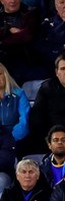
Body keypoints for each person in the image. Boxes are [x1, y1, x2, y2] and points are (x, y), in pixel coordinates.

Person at [0, 62, 30, 193]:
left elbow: (24, 121)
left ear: (5, 75)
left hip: (15, 141)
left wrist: (10, 138)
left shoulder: (19, 94)